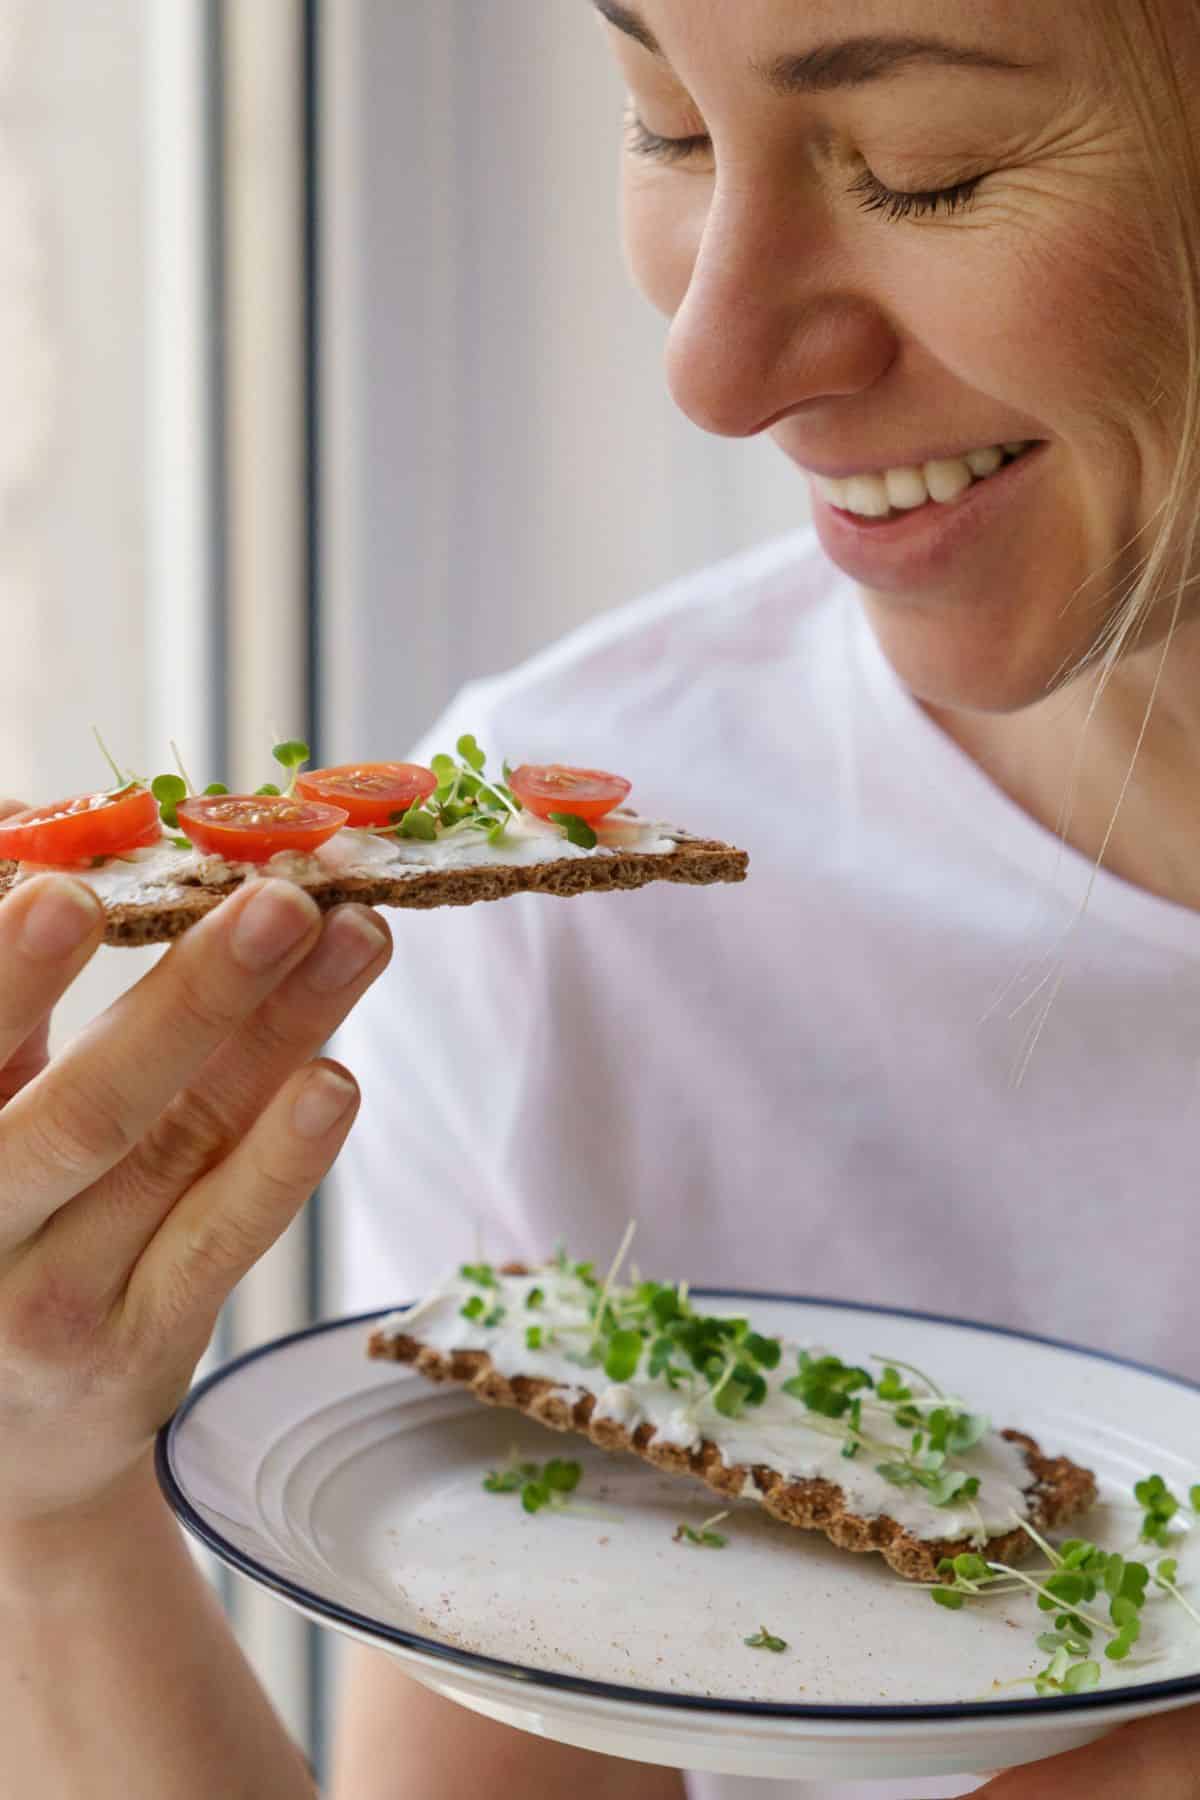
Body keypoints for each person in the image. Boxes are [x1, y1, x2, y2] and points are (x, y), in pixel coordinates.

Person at [1, 1, 1199, 1796]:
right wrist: (47, 1498)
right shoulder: (595, 931)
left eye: (927, 174)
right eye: (668, 132)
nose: (714, 374)